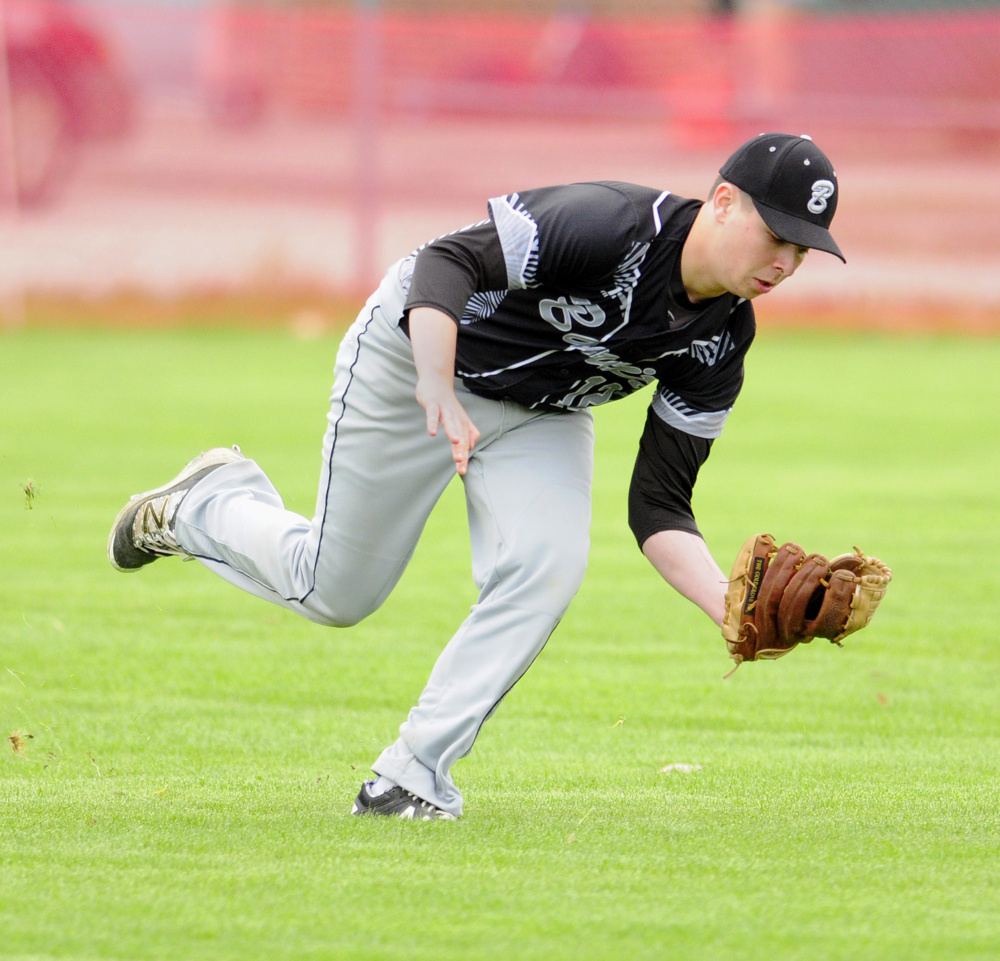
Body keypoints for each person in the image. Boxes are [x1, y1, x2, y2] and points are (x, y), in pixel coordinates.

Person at [108, 132, 845, 821]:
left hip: (542, 413)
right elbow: (447, 263)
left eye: (803, 251)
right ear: (721, 201)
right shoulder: (614, 224)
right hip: (418, 353)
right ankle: (205, 503)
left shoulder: (722, 339)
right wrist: (433, 379)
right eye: (776, 235)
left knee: (548, 565)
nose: (784, 262)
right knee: (335, 590)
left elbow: (658, 505)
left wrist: (727, 605)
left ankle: (410, 775)